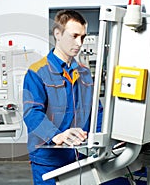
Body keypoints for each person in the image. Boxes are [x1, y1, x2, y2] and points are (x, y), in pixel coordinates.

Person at [23, 10, 103, 185]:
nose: (79, 43)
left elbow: (96, 110)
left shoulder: (84, 72)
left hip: (80, 156)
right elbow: (31, 112)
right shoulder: (37, 71)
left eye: (82, 37)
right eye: (74, 36)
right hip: (49, 160)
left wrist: (101, 141)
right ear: (57, 34)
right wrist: (56, 135)